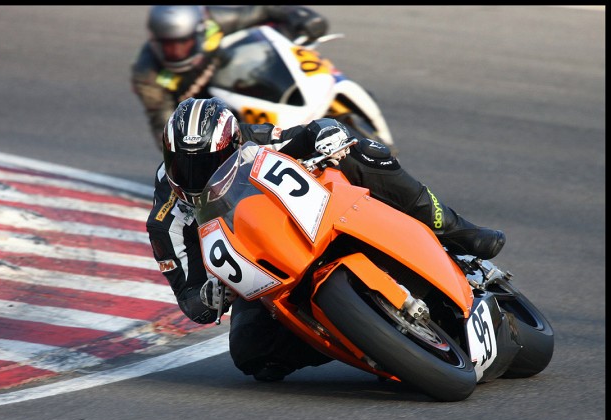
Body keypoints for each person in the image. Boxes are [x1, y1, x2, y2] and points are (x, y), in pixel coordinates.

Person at [146, 97, 506, 382]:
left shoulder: (252, 139)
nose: (195, 177)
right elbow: (190, 299)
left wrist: (327, 134)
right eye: (183, 166)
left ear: (233, 143)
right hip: (263, 271)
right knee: (252, 356)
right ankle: (373, 343)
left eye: (209, 164)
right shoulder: (166, 220)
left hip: (308, 216)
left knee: (362, 150)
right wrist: (208, 298)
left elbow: (307, 132)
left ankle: (455, 229)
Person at [131, 5, 328, 153]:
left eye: (183, 42)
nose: (176, 51)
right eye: (168, 45)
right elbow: (164, 124)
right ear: (155, 40)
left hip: (245, 81)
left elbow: (262, 10)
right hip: (212, 120)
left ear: (198, 31)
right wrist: (187, 150)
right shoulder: (147, 75)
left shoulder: (215, 23)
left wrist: (299, 16)